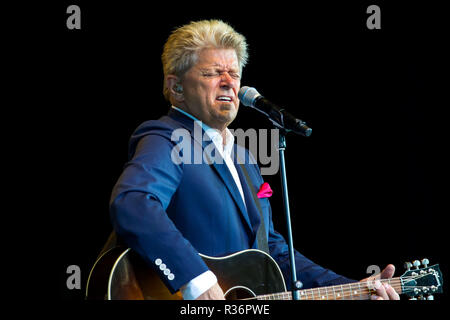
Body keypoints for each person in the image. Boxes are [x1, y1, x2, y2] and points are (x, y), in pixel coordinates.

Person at [106, 19, 399, 300]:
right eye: (212, 73)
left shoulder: (243, 158)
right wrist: (195, 279)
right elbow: (133, 201)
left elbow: (272, 251)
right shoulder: (167, 136)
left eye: (234, 74)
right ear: (177, 87)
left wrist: (352, 289)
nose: (227, 83)